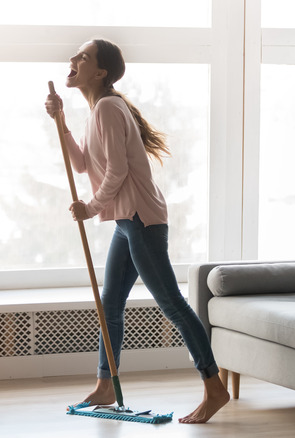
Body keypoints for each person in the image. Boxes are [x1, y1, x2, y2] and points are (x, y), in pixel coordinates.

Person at [44, 39, 229, 424]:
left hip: (141, 219)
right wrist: (60, 121)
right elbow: (80, 165)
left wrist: (90, 207)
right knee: (110, 303)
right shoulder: (99, 109)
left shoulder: (110, 108)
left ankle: (215, 387)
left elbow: (118, 172)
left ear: (100, 72)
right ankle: (105, 384)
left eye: (84, 56)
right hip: (127, 221)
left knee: (171, 303)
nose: (73, 59)